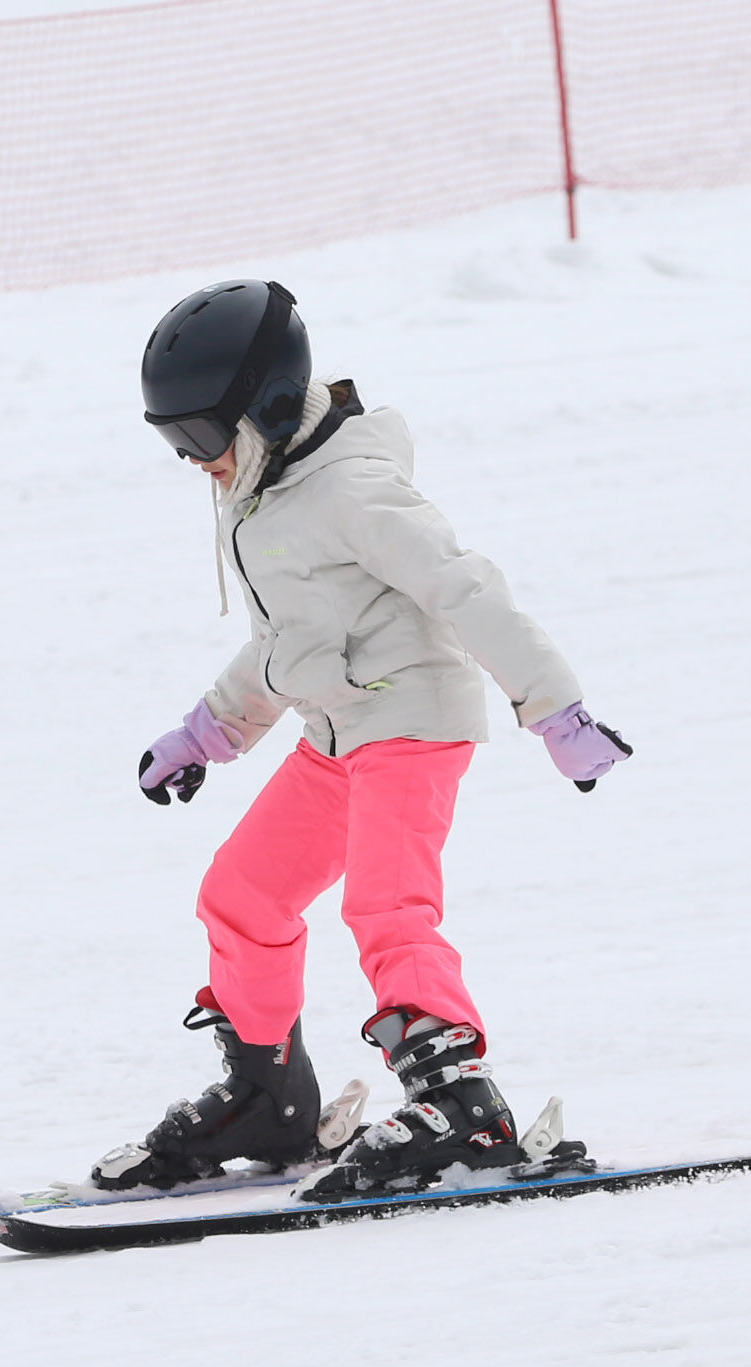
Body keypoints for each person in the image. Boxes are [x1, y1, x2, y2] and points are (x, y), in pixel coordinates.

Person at [96, 281, 633, 1203]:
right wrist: (206, 733)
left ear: (261, 410)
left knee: (388, 909)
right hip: (340, 732)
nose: (191, 462)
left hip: (413, 724)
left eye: (197, 439)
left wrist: (556, 712)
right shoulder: (265, 492)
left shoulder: (352, 488)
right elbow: (281, 645)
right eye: (170, 441)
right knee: (242, 895)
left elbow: (468, 592)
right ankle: (268, 1097)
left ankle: (461, 1101)